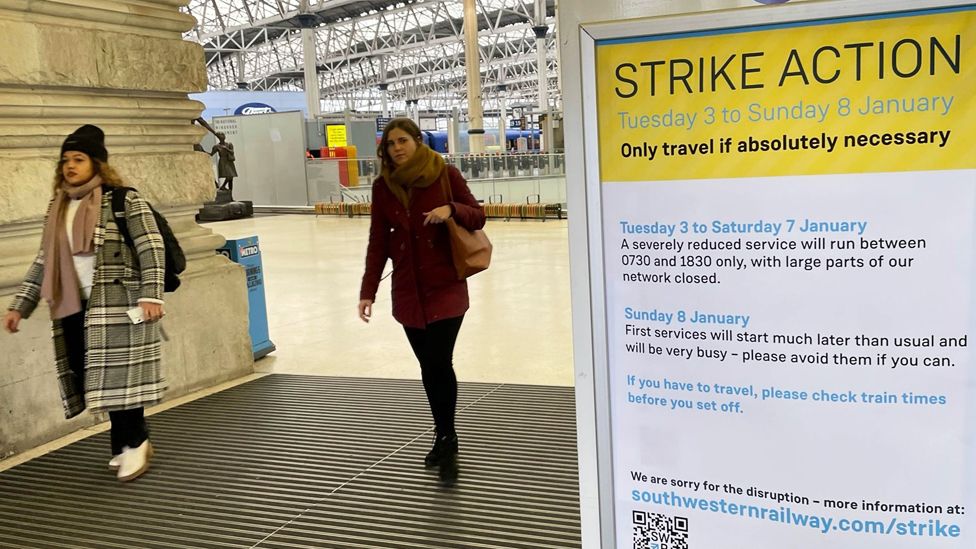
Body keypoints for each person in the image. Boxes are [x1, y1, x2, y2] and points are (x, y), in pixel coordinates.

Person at [2, 125, 167, 482]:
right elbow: (44, 261)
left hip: (119, 303)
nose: (70, 166)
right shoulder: (60, 205)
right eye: (65, 160)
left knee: (120, 380)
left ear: (97, 164)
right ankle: (124, 446)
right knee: (96, 377)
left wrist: (151, 294)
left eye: (79, 159)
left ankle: (135, 444)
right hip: (75, 306)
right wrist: (20, 306)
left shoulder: (124, 200)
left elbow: (151, 246)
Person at [358, 118, 486, 482]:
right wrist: (368, 291)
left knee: (439, 362)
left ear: (417, 141)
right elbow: (378, 241)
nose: (396, 148)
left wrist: (451, 209)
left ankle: (447, 437)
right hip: (409, 292)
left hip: (445, 286)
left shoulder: (444, 174)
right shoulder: (383, 187)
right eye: (389, 144)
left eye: (402, 141)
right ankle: (444, 433)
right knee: (429, 367)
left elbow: (478, 216)